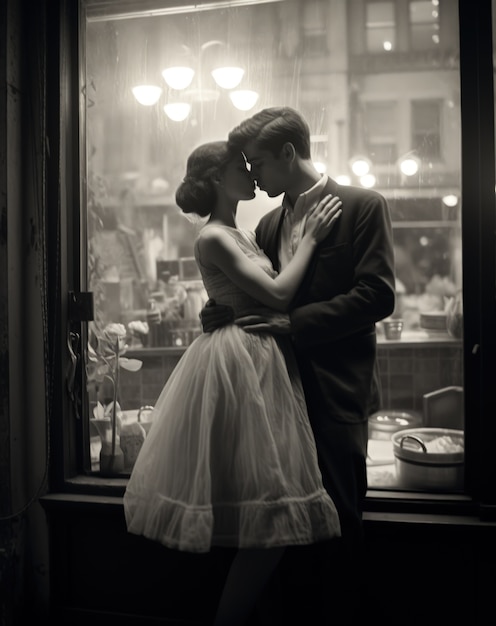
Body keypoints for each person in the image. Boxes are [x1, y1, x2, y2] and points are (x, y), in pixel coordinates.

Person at [123, 140, 343, 626]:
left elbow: (251, 296)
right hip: (239, 364)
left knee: (265, 517)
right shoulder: (214, 237)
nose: (250, 173)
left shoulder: (245, 234)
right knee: (265, 515)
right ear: (220, 180)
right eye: (240, 167)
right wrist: (310, 238)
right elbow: (278, 294)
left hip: (260, 361)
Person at [201, 107, 396, 624]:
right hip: (272, 398)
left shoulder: (362, 206)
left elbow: (377, 296)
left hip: (335, 395)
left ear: (289, 154)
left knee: (338, 529)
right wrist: (218, 310)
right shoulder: (266, 224)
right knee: (281, 531)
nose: (256, 179)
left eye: (258, 163)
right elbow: (259, 295)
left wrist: (297, 326)